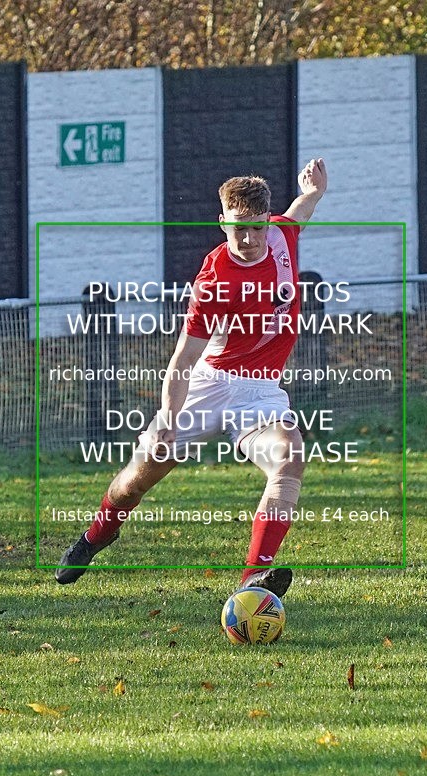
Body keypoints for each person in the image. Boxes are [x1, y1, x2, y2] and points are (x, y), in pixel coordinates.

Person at [56, 159, 328, 596]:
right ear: (222, 222)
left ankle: (252, 583)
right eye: (238, 228)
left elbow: (298, 214)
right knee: (134, 481)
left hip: (259, 393)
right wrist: (168, 417)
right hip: (208, 384)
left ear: (267, 220)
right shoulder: (214, 280)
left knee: (289, 456)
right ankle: (97, 535)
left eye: (256, 227)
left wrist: (313, 193)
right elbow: (184, 358)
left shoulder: (280, 235)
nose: (248, 238)